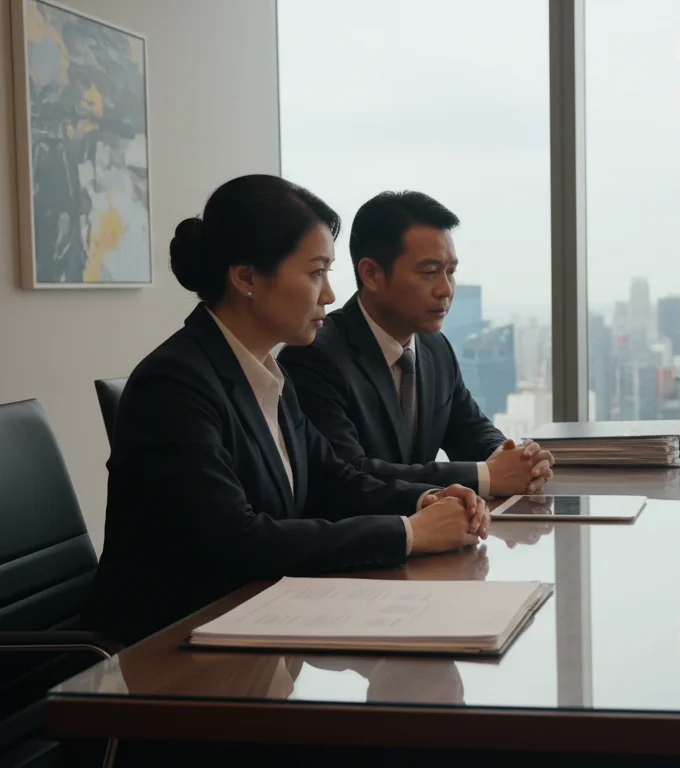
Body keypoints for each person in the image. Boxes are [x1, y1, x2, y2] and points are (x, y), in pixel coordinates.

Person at [85, 175, 489, 647]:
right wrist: (408, 534)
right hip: (169, 650)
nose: (330, 296)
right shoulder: (174, 385)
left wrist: (423, 502)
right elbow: (235, 540)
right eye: (316, 272)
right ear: (247, 277)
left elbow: (333, 481)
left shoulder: (267, 373)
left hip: (256, 624)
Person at [279, 191, 553, 497]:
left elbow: (470, 429)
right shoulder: (314, 357)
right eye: (430, 272)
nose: (445, 289)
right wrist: (486, 476)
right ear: (371, 273)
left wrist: (517, 459)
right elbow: (350, 473)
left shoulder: (435, 347)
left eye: (451, 272)